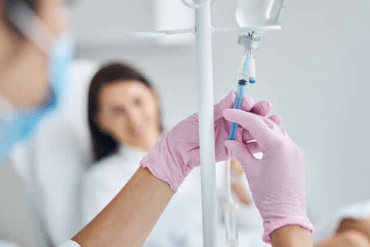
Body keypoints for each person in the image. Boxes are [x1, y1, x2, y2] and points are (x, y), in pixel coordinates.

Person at [3, 0, 361, 246]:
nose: (63, 27)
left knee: (357, 229)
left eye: (138, 101)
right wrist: (288, 219)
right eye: (62, 7)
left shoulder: (203, 157)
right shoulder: (103, 179)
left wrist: (225, 175)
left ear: (155, 99)